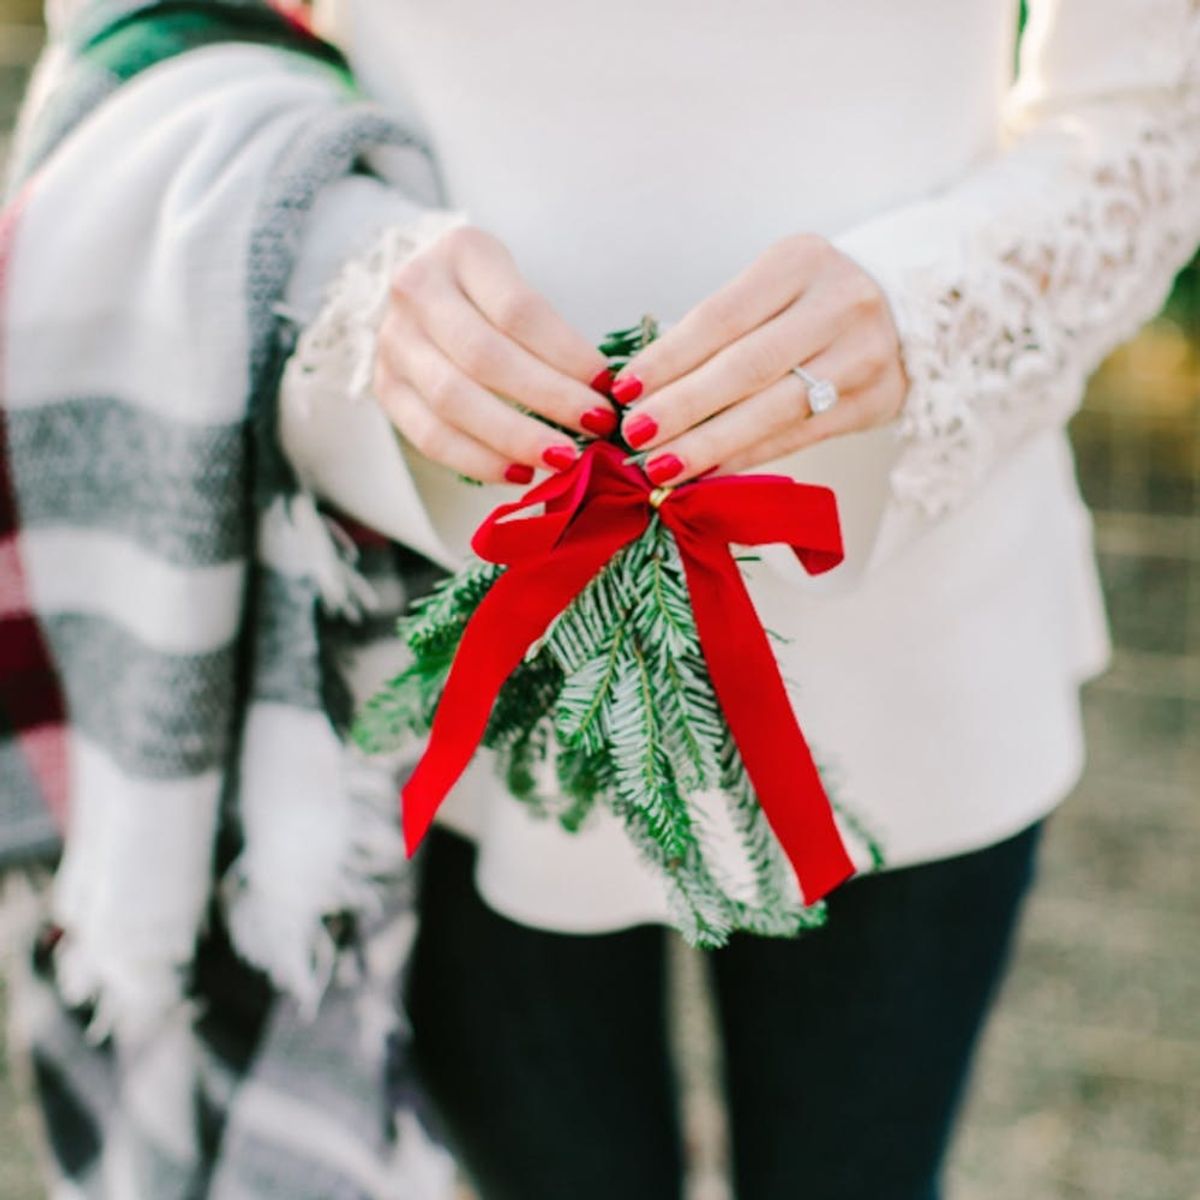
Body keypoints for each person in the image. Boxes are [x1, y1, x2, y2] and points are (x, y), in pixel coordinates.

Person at [271, 2, 1199, 1198]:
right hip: (444, 625)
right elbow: (157, 39)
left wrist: (927, 310)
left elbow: (1151, 118)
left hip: (911, 621)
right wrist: (352, 269)